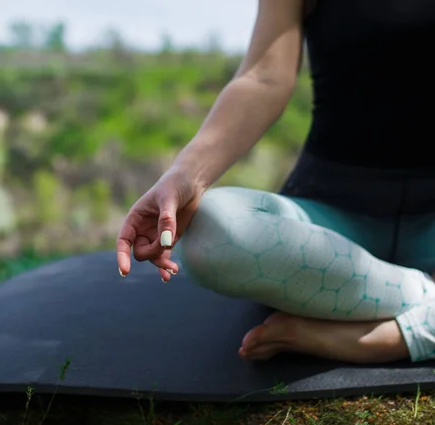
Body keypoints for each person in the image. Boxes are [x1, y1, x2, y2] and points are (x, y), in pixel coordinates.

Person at [115, 0, 435, 364]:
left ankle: (396, 337)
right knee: (210, 233)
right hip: (331, 223)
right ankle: (426, 302)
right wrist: (184, 176)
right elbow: (264, 78)